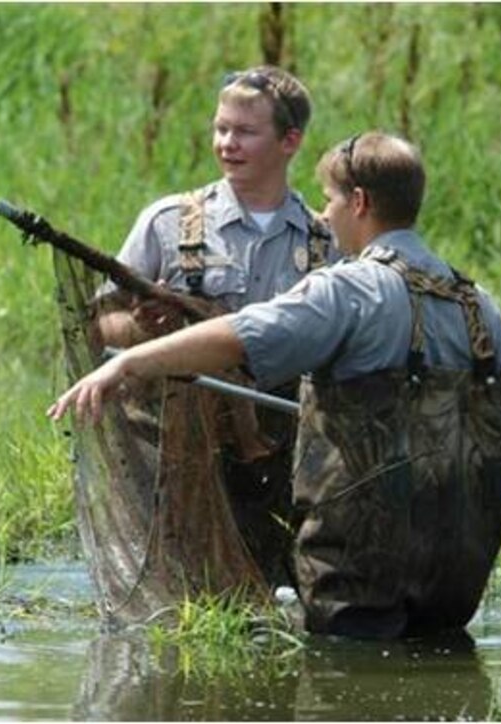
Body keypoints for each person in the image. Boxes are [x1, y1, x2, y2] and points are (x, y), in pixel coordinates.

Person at [50, 131, 501, 640]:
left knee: (345, 684)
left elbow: (237, 338)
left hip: (359, 569)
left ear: (361, 202)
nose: (324, 216)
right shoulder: (476, 302)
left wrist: (126, 365)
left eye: (330, 199)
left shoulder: (348, 288)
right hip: (459, 565)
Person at [89, 65, 337, 591]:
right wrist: (143, 328)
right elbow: (99, 327)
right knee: (179, 602)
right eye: (221, 128)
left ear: (290, 141)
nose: (227, 143)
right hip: (179, 458)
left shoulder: (328, 243)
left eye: (246, 131)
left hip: (284, 461)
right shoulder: (167, 222)